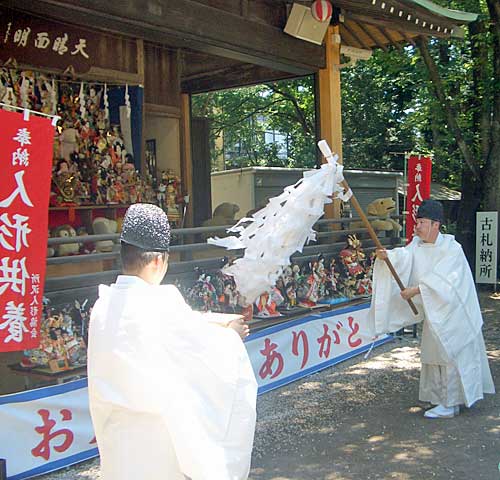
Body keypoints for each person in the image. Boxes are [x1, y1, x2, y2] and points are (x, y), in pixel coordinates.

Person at [88, 203, 257, 479]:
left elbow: (180, 333)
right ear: (158, 261)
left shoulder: (103, 306)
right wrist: (231, 335)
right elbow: (203, 352)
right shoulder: (161, 304)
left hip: (117, 443)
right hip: (157, 449)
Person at [369, 199, 494, 419]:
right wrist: (387, 256)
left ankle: (451, 403)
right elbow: (404, 257)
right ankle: (440, 399)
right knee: (433, 354)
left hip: (455, 315)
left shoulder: (452, 249)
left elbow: (447, 281)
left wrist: (416, 290)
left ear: (436, 225)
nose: (416, 227)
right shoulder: (416, 245)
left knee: (451, 355)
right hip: (434, 313)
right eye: (417, 222)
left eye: (422, 222)